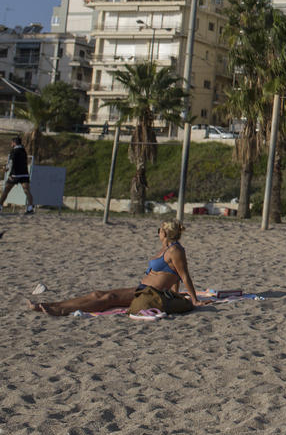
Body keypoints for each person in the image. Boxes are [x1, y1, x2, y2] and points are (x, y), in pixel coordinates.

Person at [28, 220, 209, 316]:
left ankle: (61, 310)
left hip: (150, 293)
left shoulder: (176, 250)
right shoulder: (166, 249)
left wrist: (194, 300)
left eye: (159, 230)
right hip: (143, 288)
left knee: (108, 299)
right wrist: (175, 293)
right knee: (98, 294)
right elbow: (175, 276)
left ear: (164, 233)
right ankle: (53, 304)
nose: (158, 233)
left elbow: (183, 275)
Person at [1, 135, 34, 214]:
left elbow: (11, 163)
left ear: (14, 143)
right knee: (27, 191)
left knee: (6, 191)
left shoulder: (14, 151)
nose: (11, 144)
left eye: (11, 143)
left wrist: (6, 169)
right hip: (24, 174)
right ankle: (30, 208)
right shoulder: (23, 151)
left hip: (15, 175)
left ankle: (0, 206)